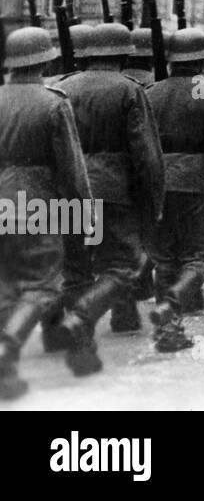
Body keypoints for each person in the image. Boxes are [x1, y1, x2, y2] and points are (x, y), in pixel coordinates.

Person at [46, 23, 165, 375]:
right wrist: (154, 198)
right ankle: (83, 318)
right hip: (114, 190)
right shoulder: (129, 90)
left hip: (67, 189)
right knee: (122, 267)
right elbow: (146, 154)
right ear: (121, 53)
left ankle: (83, 347)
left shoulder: (60, 88)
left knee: (76, 268)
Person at [0, 27, 91, 400]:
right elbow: (72, 168)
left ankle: (8, 370)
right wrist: (83, 215)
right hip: (40, 203)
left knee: (8, 286)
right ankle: (6, 351)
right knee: (43, 285)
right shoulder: (54, 102)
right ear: (45, 60)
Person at [144, 27, 204, 350]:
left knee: (165, 259)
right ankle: (172, 302)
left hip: (158, 182)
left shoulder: (151, 92)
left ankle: (169, 331)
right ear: (202, 58)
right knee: (203, 258)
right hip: (199, 183)